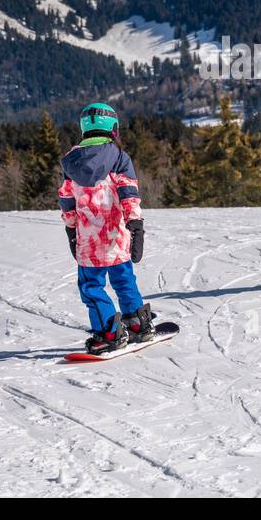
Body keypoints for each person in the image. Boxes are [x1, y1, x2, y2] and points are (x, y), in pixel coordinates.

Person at [58, 102, 153, 354]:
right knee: (124, 281)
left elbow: (67, 201)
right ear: (113, 129)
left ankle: (109, 332)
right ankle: (137, 324)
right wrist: (136, 226)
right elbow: (129, 194)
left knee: (92, 287)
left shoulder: (70, 163)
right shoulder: (120, 157)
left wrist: (71, 230)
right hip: (117, 237)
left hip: (89, 242)